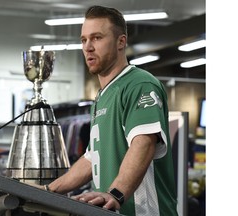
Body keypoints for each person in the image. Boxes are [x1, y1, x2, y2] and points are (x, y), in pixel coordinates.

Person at [32, 5, 178, 216]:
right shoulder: (103, 96)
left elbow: (143, 143)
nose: (88, 47)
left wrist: (116, 194)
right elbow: (92, 158)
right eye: (84, 40)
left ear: (121, 42)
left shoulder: (139, 84)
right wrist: (48, 190)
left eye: (97, 38)